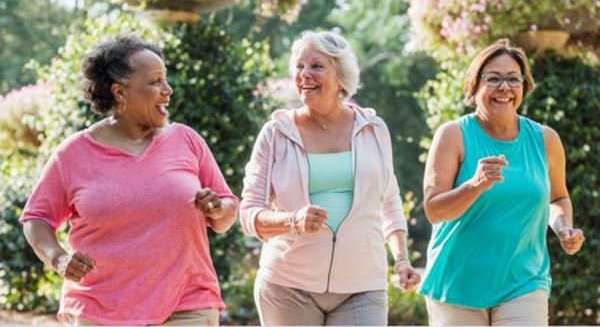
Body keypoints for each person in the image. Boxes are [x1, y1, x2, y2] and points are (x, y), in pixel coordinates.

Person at [20, 34, 238, 326]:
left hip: (187, 302)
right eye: (155, 81)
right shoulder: (73, 153)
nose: (168, 90)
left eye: (165, 79)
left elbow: (227, 211)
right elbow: (36, 218)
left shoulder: (186, 140)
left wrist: (218, 209)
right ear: (120, 92)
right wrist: (58, 259)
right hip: (101, 308)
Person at [240, 30, 421, 326]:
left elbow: (389, 200)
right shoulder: (275, 134)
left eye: (316, 66)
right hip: (288, 286)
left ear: (341, 76)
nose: (304, 75)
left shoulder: (373, 129)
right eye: (299, 67)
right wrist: (292, 221)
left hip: (362, 286)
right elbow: (248, 214)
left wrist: (401, 260)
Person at [419, 39, 585, 325]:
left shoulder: (545, 139)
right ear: (475, 87)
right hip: (457, 282)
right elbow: (434, 210)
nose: (504, 88)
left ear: (524, 86)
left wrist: (563, 228)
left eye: (513, 79)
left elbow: (557, 199)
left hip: (524, 281)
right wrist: (475, 185)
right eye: (493, 79)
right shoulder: (453, 135)